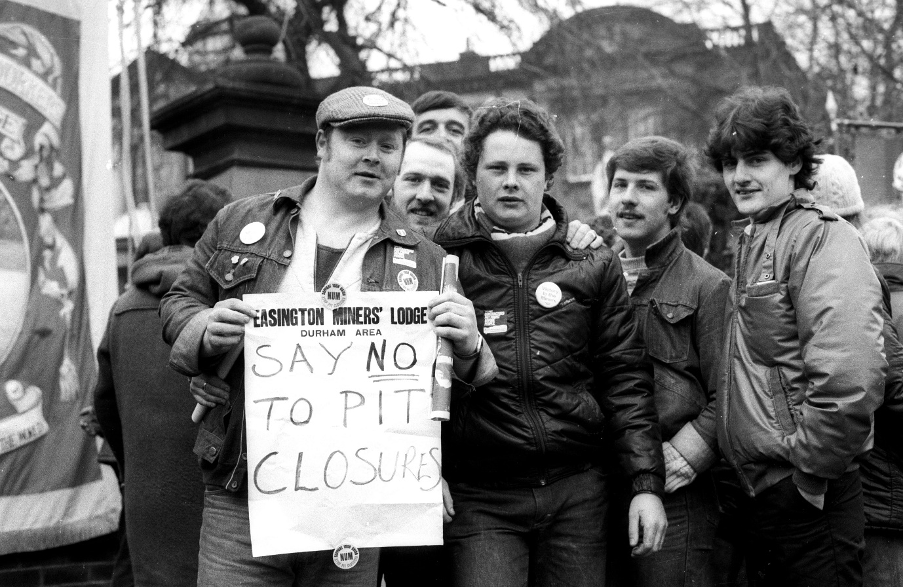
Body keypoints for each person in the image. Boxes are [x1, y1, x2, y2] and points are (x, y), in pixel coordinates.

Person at [160, 86, 494, 587]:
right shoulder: (243, 222)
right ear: (322, 143)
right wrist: (204, 331)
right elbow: (178, 304)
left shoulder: (427, 258)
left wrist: (471, 347)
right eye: (358, 140)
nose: (373, 157)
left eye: (387, 146)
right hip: (244, 496)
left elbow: (456, 381)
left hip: (357, 505)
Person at [433, 97, 667, 587]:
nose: (511, 181)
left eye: (526, 169)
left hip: (577, 492)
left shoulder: (590, 262)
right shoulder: (436, 257)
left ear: (548, 177)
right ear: (474, 174)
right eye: (497, 168)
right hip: (482, 497)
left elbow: (625, 378)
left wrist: (646, 485)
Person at [704, 86, 886, 586]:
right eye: (730, 162)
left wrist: (809, 475)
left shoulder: (824, 236)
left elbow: (852, 374)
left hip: (806, 494)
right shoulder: (755, 236)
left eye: (756, 159)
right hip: (761, 492)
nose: (739, 176)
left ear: (792, 162)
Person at [606, 136, 730, 586]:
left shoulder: (709, 286)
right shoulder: (592, 276)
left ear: (675, 202)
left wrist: (685, 457)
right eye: (620, 185)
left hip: (677, 496)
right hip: (601, 489)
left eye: (645, 187)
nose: (628, 199)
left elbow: (730, 394)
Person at [93, 180, 229, 586]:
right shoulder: (226, 302)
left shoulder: (123, 307)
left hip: (148, 498)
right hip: (218, 496)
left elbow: (104, 406)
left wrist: (135, 463)